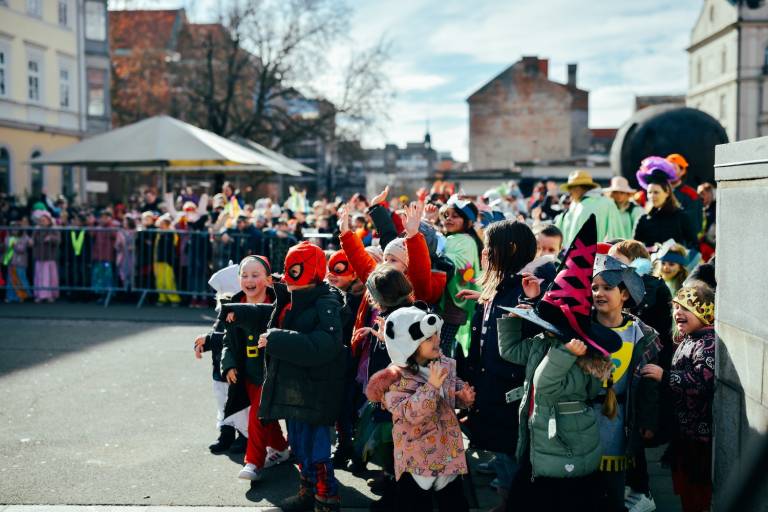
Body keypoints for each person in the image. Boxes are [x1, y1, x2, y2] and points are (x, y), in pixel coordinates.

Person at [497, 216, 621, 511]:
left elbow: (546, 386)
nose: (543, 327)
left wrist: (565, 354)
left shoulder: (582, 357)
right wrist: (513, 319)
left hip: (566, 449)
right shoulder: (544, 342)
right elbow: (510, 351)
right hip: (540, 442)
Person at [458, 220, 545, 512]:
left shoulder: (524, 287)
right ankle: (505, 499)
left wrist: (534, 303)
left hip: (511, 389)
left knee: (511, 451)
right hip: (492, 382)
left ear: (511, 248)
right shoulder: (499, 285)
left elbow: (533, 337)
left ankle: (510, 503)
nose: (485, 252)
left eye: (489, 246)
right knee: (502, 450)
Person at [256, 241, 347, 512]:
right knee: (298, 443)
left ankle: (326, 497)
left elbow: (325, 345)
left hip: (315, 389)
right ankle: (309, 490)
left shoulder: (326, 303)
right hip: (294, 385)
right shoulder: (293, 297)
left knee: (316, 445)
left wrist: (277, 339)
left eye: (294, 271)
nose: (289, 277)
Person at [366, 306, 475, 512]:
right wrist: (432, 386)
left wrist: (462, 397)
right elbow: (411, 413)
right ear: (409, 344)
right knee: (413, 504)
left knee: (455, 503)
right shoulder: (395, 379)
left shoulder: (442, 363)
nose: (437, 340)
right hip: (416, 459)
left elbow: (452, 387)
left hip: (447, 453)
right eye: (429, 338)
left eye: (436, 335)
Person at [590, 254, 661, 512]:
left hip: (621, 420)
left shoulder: (641, 335)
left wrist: (648, 422)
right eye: (594, 287)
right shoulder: (581, 330)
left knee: (614, 486)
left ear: (624, 295)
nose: (599, 293)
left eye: (607, 287)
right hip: (584, 418)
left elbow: (648, 386)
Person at [640, 284, 716, 512]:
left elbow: (702, 382)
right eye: (675, 307)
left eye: (686, 307)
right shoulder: (689, 338)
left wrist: (665, 376)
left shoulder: (707, 343)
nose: (678, 313)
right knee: (685, 489)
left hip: (699, 438)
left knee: (698, 493)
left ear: (705, 310)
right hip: (684, 433)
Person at [218, 256, 291, 481]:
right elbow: (228, 341)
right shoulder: (233, 304)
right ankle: (281, 449)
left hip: (271, 372)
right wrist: (228, 364)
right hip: (246, 373)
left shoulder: (279, 305)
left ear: (268, 280)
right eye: (244, 275)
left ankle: (253, 462)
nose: (249, 280)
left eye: (255, 275)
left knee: (259, 414)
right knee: (263, 415)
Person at [194, 262, 249, 456]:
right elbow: (217, 333)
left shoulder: (244, 314)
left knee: (240, 407)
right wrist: (203, 344)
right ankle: (226, 434)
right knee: (222, 403)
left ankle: (245, 436)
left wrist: (209, 340)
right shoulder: (222, 315)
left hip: (236, 369)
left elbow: (233, 339)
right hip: (219, 370)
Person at [438, 195, 482, 356]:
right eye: (446, 215)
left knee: (442, 346)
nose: (448, 219)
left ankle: (444, 371)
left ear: (468, 222)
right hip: (443, 299)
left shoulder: (467, 241)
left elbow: (462, 265)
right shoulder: (448, 238)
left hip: (454, 302)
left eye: (455, 216)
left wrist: (438, 256)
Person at [633, 158, 697, 249]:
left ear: (667, 192)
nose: (652, 196)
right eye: (649, 192)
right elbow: (634, 248)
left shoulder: (681, 217)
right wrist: (649, 250)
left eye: (656, 192)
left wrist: (680, 252)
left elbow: (694, 245)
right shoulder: (643, 219)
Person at [554, 170, 623, 248]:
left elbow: (616, 234)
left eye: (571, 188)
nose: (569, 192)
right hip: (576, 253)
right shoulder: (574, 205)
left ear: (579, 188)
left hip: (598, 253)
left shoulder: (606, 204)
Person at [666, 154, 704, 241]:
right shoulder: (658, 192)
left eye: (673, 168)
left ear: (683, 171)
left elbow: (695, 226)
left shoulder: (691, 195)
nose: (670, 172)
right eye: (667, 169)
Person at [32, 210, 61, 303]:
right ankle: (40, 295)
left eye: (44, 220)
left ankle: (50, 295)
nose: (42, 222)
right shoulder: (37, 230)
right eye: (41, 220)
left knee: (50, 277)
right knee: (39, 276)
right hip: (39, 256)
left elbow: (58, 240)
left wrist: (51, 238)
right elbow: (33, 241)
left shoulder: (53, 229)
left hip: (49, 257)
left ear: (49, 221)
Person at [153, 214, 181, 306]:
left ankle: (174, 299)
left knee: (169, 281)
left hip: (168, 261)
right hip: (159, 261)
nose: (161, 226)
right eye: (160, 224)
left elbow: (174, 243)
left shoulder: (172, 234)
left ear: (168, 225)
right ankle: (162, 298)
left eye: (163, 224)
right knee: (160, 281)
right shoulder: (158, 234)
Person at [3, 221, 34, 302]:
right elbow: (7, 247)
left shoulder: (24, 237)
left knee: (20, 279)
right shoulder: (7, 238)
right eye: (13, 228)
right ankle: (10, 297)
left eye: (17, 228)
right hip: (11, 262)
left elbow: (22, 249)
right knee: (11, 280)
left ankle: (22, 296)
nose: (15, 230)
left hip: (20, 263)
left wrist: (15, 245)